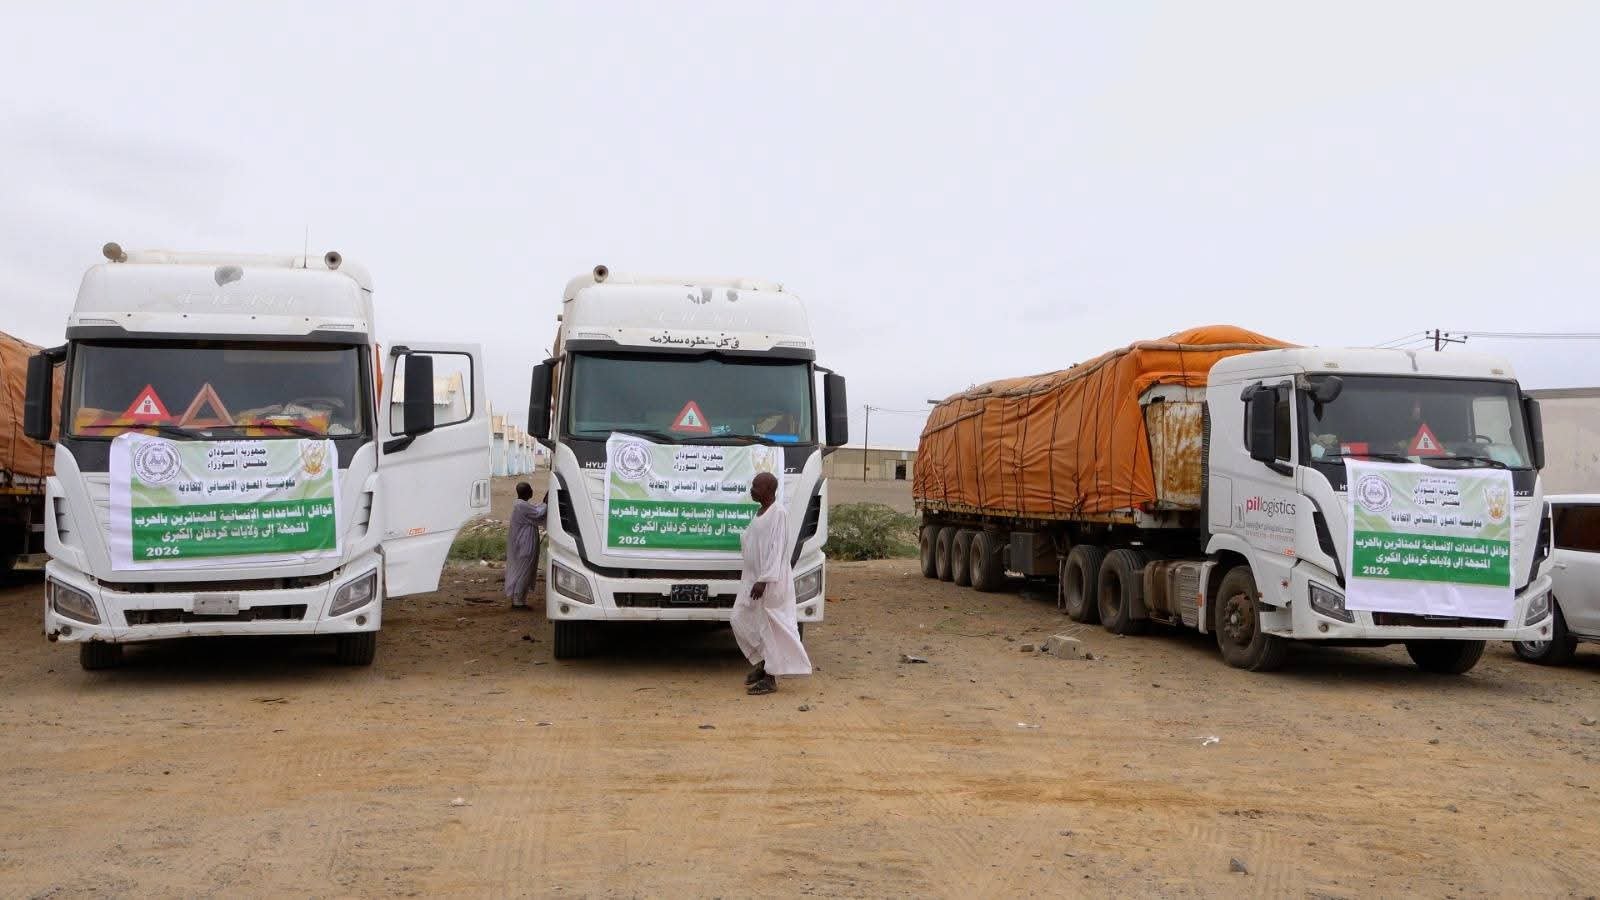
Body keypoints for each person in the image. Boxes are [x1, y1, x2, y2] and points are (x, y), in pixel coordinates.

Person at [731, 471, 811, 695]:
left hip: (770, 582)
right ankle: (763, 662)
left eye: (756, 486)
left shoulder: (779, 513)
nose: (751, 490)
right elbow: (753, 540)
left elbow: (777, 550)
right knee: (739, 618)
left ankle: (770, 678)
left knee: (770, 629)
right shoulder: (760, 512)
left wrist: (764, 580)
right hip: (753, 579)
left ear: (768, 490)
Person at [505, 481, 547, 608]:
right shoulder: (521, 506)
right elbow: (539, 513)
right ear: (527, 492)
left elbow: (536, 510)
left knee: (524, 571)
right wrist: (546, 502)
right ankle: (518, 602)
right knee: (524, 572)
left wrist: (545, 502)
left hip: (525, 543)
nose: (532, 491)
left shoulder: (521, 505)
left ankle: (520, 600)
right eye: (530, 489)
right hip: (525, 545)